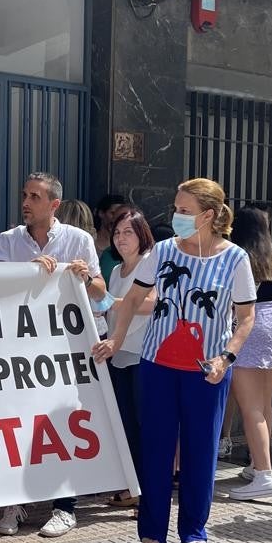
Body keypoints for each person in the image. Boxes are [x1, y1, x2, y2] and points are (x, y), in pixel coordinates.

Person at [93, 178, 255, 543]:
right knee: (156, 450)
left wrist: (226, 357)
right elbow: (134, 297)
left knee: (200, 452)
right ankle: (151, 530)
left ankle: (195, 531)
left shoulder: (235, 258)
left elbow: (246, 317)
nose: (176, 217)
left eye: (184, 211)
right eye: (176, 209)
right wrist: (116, 339)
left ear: (209, 215)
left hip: (207, 371)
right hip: (157, 366)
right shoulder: (163, 251)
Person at [0, 172, 106, 539]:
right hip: (21, 351)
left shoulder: (79, 240)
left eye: (35, 197)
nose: (25, 203)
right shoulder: (8, 241)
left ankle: (64, 506)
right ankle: (15, 500)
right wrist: (27, 273)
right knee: (20, 424)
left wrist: (85, 277)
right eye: (24, 195)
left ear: (54, 204)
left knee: (64, 425)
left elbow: (101, 295)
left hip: (65, 352)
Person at [226, 206, 272, 500]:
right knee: (265, 403)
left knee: (250, 407)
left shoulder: (236, 255)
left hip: (252, 326)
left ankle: (264, 474)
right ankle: (259, 463)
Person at [100, 207, 156, 508]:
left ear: (141, 235)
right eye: (117, 232)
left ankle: (146, 493)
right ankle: (131, 488)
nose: (121, 238)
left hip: (143, 354)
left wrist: (110, 300)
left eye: (128, 232)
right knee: (125, 425)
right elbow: (112, 310)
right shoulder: (114, 270)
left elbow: (149, 304)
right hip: (117, 352)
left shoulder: (149, 264)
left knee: (144, 425)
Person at [94, 194, 127, 276]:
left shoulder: (127, 244)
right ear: (101, 213)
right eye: (113, 213)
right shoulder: (90, 241)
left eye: (121, 215)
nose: (116, 218)